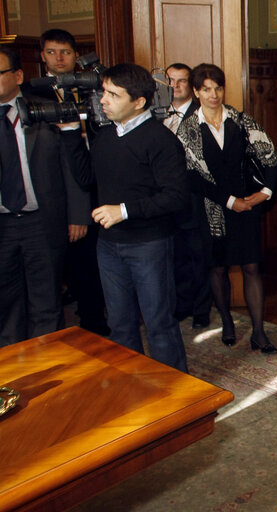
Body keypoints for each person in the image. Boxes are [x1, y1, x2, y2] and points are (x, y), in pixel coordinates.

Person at [74, 63, 190, 372]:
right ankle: (134, 388)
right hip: (109, 245)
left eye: (113, 94)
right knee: (120, 324)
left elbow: (176, 196)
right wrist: (72, 134)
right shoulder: (105, 137)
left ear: (138, 102)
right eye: (104, 92)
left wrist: (123, 210)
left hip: (149, 244)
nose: (103, 100)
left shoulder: (161, 141)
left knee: (159, 323)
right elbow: (86, 177)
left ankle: (176, 396)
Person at [176, 63, 277, 353]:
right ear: (196, 92)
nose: (214, 94)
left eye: (218, 88)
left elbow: (270, 156)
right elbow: (192, 177)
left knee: (251, 267)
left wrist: (265, 192)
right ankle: (227, 321)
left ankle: (259, 332)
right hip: (211, 212)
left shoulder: (241, 121)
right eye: (206, 89)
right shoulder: (187, 130)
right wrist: (230, 201)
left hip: (247, 209)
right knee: (218, 270)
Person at [0, 46, 90, 345]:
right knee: (6, 305)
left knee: (46, 300)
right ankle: (13, 374)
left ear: (18, 75)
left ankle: (47, 366)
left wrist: (77, 214)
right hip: (2, 226)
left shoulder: (43, 111)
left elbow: (71, 164)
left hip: (41, 221)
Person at [36, 28, 110, 336]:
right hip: (51, 190)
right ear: (42, 57)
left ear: (76, 56)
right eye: (52, 52)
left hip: (93, 184)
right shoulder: (33, 94)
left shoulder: (92, 89)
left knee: (89, 264)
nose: (59, 58)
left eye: (65, 52)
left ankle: (93, 323)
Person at [164, 63, 213, 329]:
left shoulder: (202, 114)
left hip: (194, 198)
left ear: (192, 88)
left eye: (181, 81)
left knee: (198, 256)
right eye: (170, 81)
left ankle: (201, 309)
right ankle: (181, 304)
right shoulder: (155, 114)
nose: (175, 86)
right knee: (176, 256)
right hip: (165, 199)